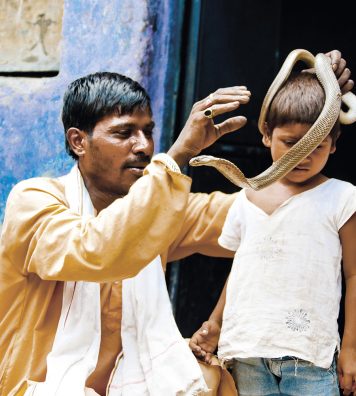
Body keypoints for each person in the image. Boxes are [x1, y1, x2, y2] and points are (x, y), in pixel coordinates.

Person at [0, 51, 352, 395]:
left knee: (209, 375)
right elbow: (98, 248)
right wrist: (179, 155)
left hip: (134, 381)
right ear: (79, 141)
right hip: (42, 387)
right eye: (124, 134)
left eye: (148, 132)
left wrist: (315, 100)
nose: (144, 146)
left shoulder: (160, 212)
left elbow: (273, 216)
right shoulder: (34, 201)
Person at [189, 70, 356, 395]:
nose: (302, 156)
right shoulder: (245, 198)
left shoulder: (343, 198)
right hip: (247, 352)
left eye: (317, 145)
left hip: (310, 356)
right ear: (267, 134)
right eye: (291, 143)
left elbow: (354, 274)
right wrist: (215, 325)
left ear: (334, 145)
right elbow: (241, 270)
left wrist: (351, 347)